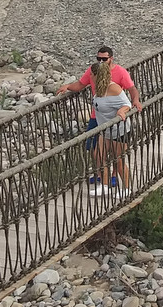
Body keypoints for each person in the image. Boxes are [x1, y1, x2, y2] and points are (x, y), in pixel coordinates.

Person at [57, 46, 143, 186]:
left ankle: (114, 177)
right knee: (94, 149)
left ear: (111, 58)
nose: (101, 61)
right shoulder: (93, 71)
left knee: (117, 156)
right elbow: (80, 84)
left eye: (104, 59)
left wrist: (134, 101)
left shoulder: (120, 73)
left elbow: (131, 89)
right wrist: (67, 86)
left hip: (113, 121)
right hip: (96, 116)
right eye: (99, 58)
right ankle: (102, 177)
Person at [88, 60, 134, 198]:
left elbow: (127, 103)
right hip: (105, 129)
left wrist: (122, 110)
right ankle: (104, 185)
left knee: (118, 161)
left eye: (91, 74)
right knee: (99, 156)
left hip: (118, 131)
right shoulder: (99, 88)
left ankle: (126, 189)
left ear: (97, 75)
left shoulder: (114, 88)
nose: (90, 76)